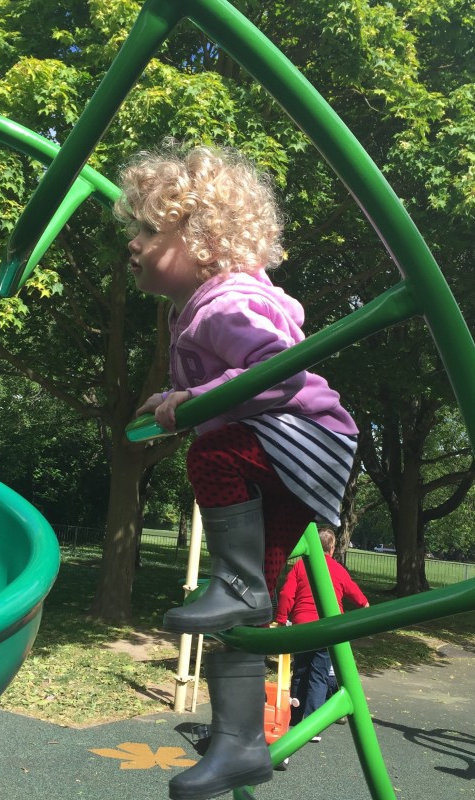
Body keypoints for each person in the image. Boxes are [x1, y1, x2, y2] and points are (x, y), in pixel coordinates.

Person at [116, 141, 358, 800]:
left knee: (210, 454)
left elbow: (275, 372)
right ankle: (241, 743)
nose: (131, 244)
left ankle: (238, 584)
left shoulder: (227, 302)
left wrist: (185, 404)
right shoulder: (191, 307)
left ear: (202, 238)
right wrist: (172, 401)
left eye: (145, 229)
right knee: (244, 619)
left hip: (300, 438)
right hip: (277, 452)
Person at [275, 526, 369, 754]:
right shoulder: (337, 569)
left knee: (300, 670)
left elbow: (287, 593)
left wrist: (281, 618)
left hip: (303, 628)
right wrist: (365, 605)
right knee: (318, 674)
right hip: (328, 629)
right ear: (333, 547)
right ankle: (314, 726)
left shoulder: (300, 565)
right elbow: (353, 591)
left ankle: (295, 717)